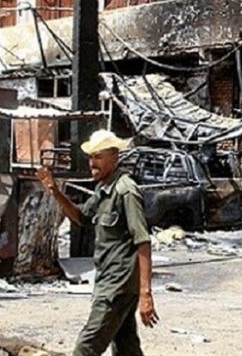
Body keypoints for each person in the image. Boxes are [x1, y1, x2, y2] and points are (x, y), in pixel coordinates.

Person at [37, 129, 158, 356]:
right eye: (91, 157)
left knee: (87, 347)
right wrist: (55, 192)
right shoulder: (104, 188)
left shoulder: (126, 191)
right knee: (126, 345)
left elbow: (142, 241)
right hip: (109, 280)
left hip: (118, 284)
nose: (92, 163)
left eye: (99, 157)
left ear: (115, 158)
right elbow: (80, 217)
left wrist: (146, 293)